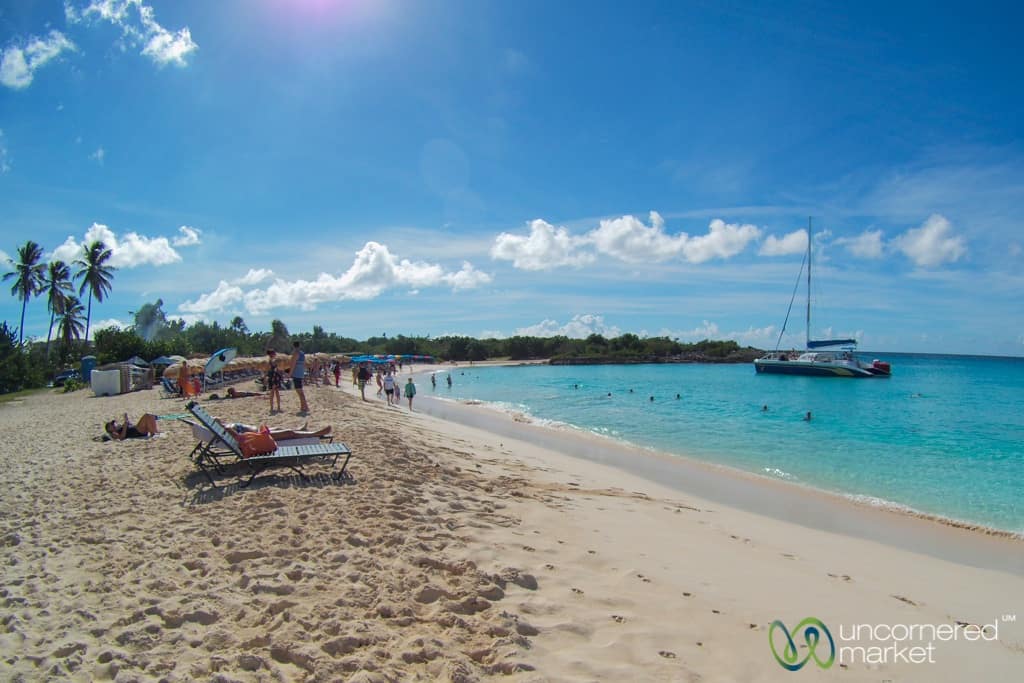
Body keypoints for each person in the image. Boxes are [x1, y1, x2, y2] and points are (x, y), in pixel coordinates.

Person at [290, 340, 310, 414]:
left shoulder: (295, 353)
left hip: (296, 374)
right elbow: (304, 364)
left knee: (299, 391)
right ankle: (302, 406)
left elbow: (293, 364)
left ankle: (306, 406)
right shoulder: (302, 353)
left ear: (293, 346)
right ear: (299, 345)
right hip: (300, 373)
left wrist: (290, 374)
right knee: (300, 391)